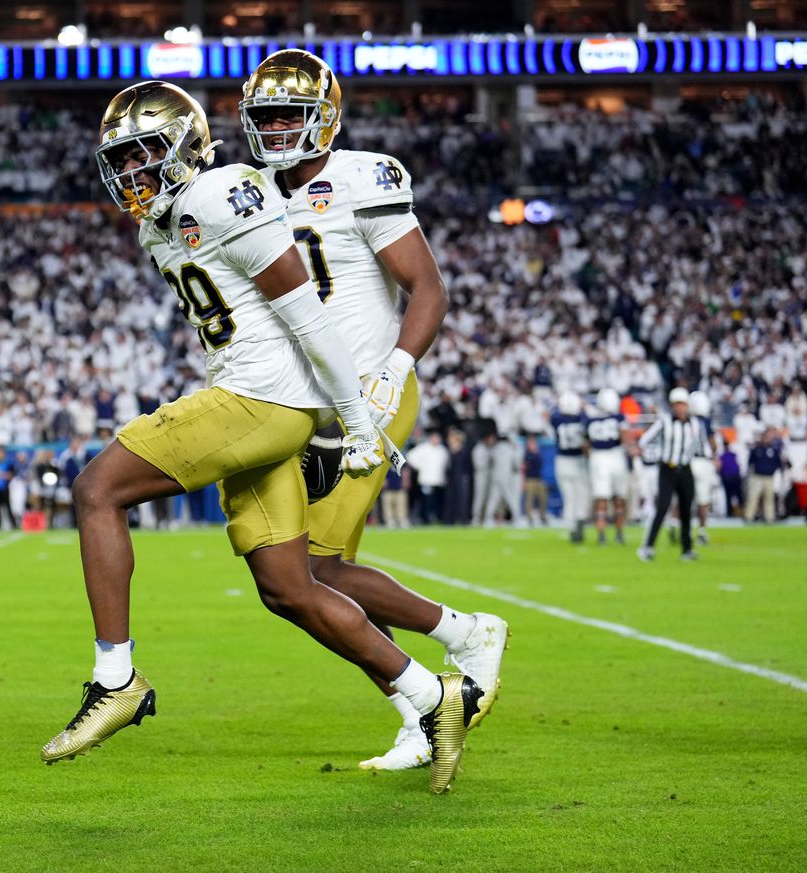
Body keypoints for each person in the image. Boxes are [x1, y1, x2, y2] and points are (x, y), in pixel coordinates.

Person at [42, 80, 484, 795]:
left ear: (186, 146)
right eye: (122, 160)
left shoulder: (219, 194)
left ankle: (114, 676)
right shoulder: (161, 220)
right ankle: (434, 697)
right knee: (288, 586)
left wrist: (358, 414)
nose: (133, 172)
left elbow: (307, 313)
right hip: (262, 404)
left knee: (97, 489)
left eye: (147, 153)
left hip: (260, 400)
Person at [242, 49, 507, 769]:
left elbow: (428, 288)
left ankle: (466, 633)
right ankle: (420, 710)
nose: (272, 127)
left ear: (323, 116)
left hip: (369, 394)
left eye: (287, 114)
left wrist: (396, 368)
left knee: (311, 572)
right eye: (263, 115)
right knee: (314, 584)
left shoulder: (361, 176)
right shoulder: (246, 192)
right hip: (299, 404)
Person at [637, 387, 706, 561]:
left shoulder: (695, 424)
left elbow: (700, 446)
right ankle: (648, 547)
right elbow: (644, 440)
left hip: (685, 468)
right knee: (662, 507)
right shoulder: (664, 422)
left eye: (682, 404)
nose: (680, 408)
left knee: (686, 510)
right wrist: (657, 454)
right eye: (677, 404)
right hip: (667, 468)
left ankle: (687, 549)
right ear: (672, 406)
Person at [587, 388, 629, 545]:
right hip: (615, 456)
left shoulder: (591, 420)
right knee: (619, 498)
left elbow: (586, 444)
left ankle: (602, 534)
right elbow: (625, 436)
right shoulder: (618, 417)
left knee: (601, 498)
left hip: (597, 457)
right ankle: (618, 532)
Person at [551, 391, 590, 543]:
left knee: (569, 498)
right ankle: (579, 520)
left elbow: (550, 414)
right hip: (578, 460)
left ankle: (572, 527)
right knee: (581, 494)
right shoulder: (582, 418)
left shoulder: (556, 419)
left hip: (562, 460)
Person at [686, 391, 718, 544]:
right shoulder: (705, 422)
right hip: (703, 462)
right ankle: (702, 531)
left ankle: (676, 525)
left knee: (683, 498)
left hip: (687, 462)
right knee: (703, 500)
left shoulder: (684, 421)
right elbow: (713, 445)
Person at [406, 431, 449, 526]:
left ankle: (436, 517)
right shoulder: (423, 448)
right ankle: (425, 519)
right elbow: (410, 456)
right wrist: (419, 467)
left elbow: (445, 463)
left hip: (438, 480)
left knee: (437, 501)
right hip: (426, 480)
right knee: (426, 501)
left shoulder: (442, 450)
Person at [744, 427, 783, 523]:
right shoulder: (757, 448)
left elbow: (778, 463)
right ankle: (749, 516)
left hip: (769, 477)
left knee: (769, 498)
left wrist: (774, 471)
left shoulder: (774, 450)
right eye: (766, 437)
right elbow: (750, 462)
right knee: (753, 497)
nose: (767, 439)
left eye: (769, 437)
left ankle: (769, 517)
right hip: (757, 476)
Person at [522, 437, 548, 525]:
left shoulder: (537, 454)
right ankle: (530, 518)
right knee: (529, 500)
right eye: (531, 443)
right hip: (530, 480)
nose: (533, 445)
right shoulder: (526, 455)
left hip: (539, 479)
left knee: (543, 498)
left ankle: (543, 516)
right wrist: (523, 481)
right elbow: (523, 469)